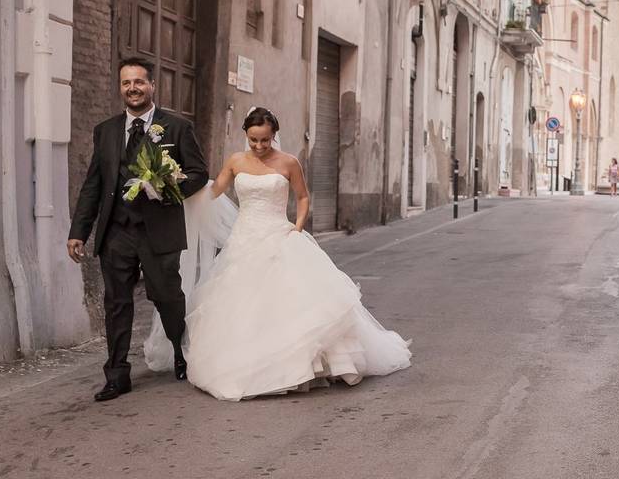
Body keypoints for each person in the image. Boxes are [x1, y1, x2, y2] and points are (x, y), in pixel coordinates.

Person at [175, 108, 412, 401]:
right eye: (253, 140)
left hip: (280, 235)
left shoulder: (289, 162)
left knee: (293, 298)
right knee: (244, 303)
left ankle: (305, 366)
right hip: (245, 239)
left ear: (274, 135)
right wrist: (178, 187)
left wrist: (298, 227)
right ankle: (250, 363)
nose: (260, 147)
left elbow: (302, 196)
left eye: (265, 140)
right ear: (246, 136)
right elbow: (214, 191)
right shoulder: (236, 161)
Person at [67, 57, 209, 402]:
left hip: (158, 230)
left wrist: (167, 187)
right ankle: (116, 375)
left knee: (166, 297)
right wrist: (78, 231)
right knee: (116, 302)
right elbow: (94, 185)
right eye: (126, 83)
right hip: (116, 231)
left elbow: (199, 173)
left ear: (151, 86)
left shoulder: (176, 128)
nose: (133, 88)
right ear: (121, 87)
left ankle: (180, 350)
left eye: (139, 82)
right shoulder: (106, 130)